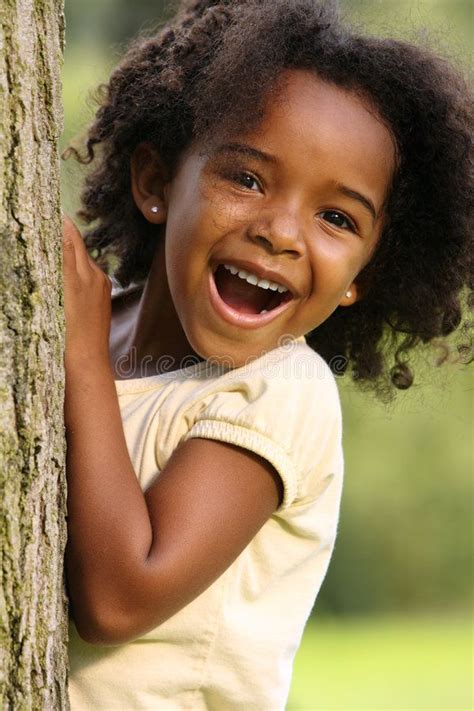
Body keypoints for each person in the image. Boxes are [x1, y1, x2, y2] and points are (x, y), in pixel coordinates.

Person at [62, 0, 472, 708]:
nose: (282, 232)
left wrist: (80, 361)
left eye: (337, 218)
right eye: (247, 179)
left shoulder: (281, 391)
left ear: (361, 278)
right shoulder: (90, 330)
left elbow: (118, 597)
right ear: (157, 182)